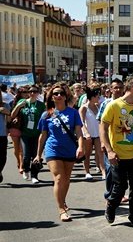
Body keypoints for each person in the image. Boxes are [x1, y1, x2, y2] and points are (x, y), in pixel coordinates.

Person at [101, 74, 133, 228]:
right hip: (118, 156)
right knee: (120, 187)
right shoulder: (114, 105)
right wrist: (109, 150)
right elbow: (103, 128)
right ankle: (111, 204)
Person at [34, 83, 84, 222]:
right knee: (59, 178)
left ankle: (62, 200)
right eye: (56, 94)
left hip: (69, 150)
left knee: (66, 179)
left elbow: (79, 132)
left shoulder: (73, 112)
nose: (59, 96)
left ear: (65, 96)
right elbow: (43, 135)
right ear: (51, 97)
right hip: (52, 149)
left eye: (61, 93)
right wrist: (38, 154)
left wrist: (80, 147)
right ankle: (61, 209)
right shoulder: (46, 114)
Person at [9, 85, 46, 183]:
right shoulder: (23, 102)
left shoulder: (41, 105)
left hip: (37, 133)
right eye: (30, 91)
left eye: (35, 91)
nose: (32, 93)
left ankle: (34, 176)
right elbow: (12, 115)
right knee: (26, 154)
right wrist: (18, 106)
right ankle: (26, 170)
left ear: (38, 93)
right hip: (25, 133)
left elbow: (46, 117)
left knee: (35, 155)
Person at [98, 78, 124, 200]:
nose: (118, 90)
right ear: (111, 89)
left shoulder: (126, 103)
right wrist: (103, 142)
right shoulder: (106, 104)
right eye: (115, 87)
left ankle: (120, 193)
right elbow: (101, 124)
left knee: (122, 170)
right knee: (110, 169)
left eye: (120, 87)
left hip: (122, 141)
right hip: (109, 142)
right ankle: (110, 195)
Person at [79, 86, 106, 180]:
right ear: (92, 97)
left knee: (100, 153)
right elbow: (81, 122)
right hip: (88, 135)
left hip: (98, 134)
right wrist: (86, 133)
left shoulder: (98, 106)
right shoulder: (84, 108)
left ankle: (103, 172)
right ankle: (87, 172)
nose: (98, 98)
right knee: (87, 153)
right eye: (97, 96)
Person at [7, 86, 26, 176]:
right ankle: (18, 161)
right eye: (24, 92)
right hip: (15, 127)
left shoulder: (30, 102)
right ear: (19, 93)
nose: (26, 94)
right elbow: (10, 116)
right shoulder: (13, 102)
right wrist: (18, 107)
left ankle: (22, 165)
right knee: (16, 148)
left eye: (27, 92)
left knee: (22, 148)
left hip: (25, 127)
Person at [0, 86, 12, 184]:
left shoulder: (5, 105)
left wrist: (8, 113)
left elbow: (9, 121)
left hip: (2, 135)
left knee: (2, 157)